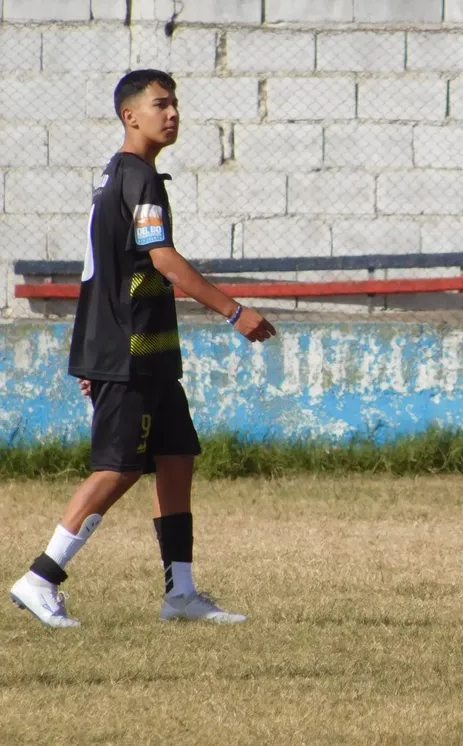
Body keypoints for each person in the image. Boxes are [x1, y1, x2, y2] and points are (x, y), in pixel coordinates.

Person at [9, 69, 276, 629]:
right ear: (130, 115)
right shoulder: (137, 178)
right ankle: (41, 577)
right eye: (160, 104)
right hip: (126, 352)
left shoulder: (120, 177)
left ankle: (180, 592)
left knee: (176, 460)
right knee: (119, 467)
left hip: (149, 353)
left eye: (175, 103)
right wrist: (233, 310)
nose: (172, 113)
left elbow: (98, 270)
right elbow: (163, 260)